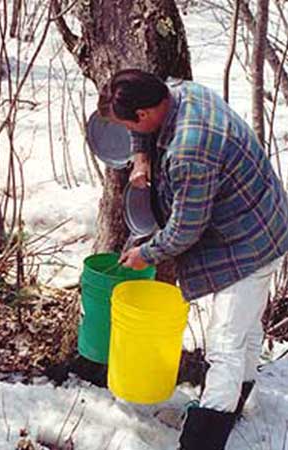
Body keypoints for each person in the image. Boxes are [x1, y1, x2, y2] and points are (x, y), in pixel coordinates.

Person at [97, 68, 288, 450]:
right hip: (263, 215)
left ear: (144, 114)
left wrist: (145, 254)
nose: (130, 132)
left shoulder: (190, 150)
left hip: (250, 243)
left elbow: (186, 229)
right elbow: (141, 127)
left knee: (225, 344)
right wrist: (141, 158)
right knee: (245, 331)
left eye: (128, 125)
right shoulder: (178, 92)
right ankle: (233, 404)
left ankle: (203, 439)